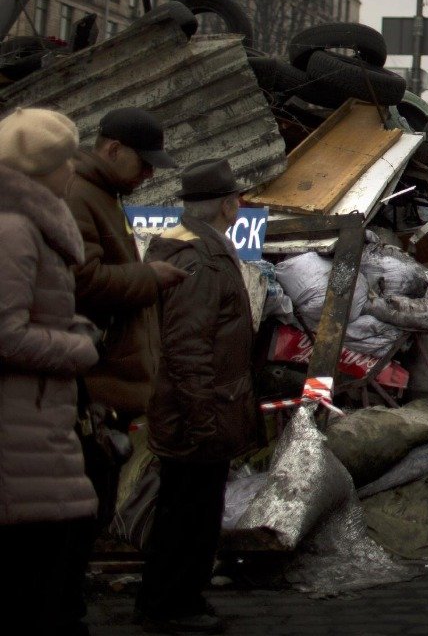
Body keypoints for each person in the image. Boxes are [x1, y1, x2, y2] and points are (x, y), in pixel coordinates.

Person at [136, 158, 258, 635]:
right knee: (186, 515)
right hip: (196, 412)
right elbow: (187, 345)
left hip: (200, 407)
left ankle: (176, 599)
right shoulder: (201, 259)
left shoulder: (197, 244)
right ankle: (167, 606)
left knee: (192, 511)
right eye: (237, 198)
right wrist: (201, 418)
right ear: (229, 204)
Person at [0, 108, 102, 636]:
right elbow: (4, 332)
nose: (72, 174)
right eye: (67, 162)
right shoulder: (15, 229)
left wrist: (71, 325)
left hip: (38, 430)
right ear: (45, 168)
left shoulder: (31, 226)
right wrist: (78, 347)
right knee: (34, 596)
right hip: (19, 438)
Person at [65, 106, 186, 522]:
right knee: (82, 515)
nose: (150, 175)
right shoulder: (79, 195)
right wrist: (148, 277)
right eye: (145, 163)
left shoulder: (103, 196)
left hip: (110, 391)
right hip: (94, 391)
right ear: (114, 150)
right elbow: (83, 281)